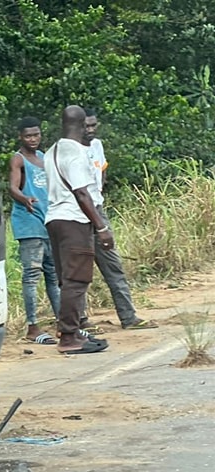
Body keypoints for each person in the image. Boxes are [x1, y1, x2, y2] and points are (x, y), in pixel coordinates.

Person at [79, 109, 157, 330]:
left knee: (113, 265)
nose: (91, 130)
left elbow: (102, 171)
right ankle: (81, 321)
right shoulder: (70, 150)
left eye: (94, 125)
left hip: (97, 207)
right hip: (77, 214)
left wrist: (99, 193)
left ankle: (128, 316)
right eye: (86, 126)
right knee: (80, 271)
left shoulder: (97, 146)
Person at [43, 105, 111, 354]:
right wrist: (101, 227)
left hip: (54, 219)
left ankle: (69, 331)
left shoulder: (51, 151)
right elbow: (82, 194)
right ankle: (69, 337)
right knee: (77, 280)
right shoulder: (76, 154)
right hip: (74, 220)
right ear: (82, 126)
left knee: (66, 280)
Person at [8, 117, 61, 344]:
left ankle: (63, 323)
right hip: (29, 225)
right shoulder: (18, 160)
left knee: (54, 275)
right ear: (21, 136)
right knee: (31, 277)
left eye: (36, 135)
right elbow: (12, 187)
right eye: (28, 136)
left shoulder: (43, 158)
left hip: (47, 222)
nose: (32, 139)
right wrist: (23, 198)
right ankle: (32, 326)